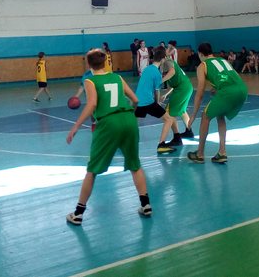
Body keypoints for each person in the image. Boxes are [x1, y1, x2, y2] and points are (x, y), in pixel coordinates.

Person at [66, 49, 151, 225]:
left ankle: (78, 214)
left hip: (108, 123)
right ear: (105, 62)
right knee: (135, 165)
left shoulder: (90, 80)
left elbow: (92, 104)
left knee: (92, 170)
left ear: (88, 64)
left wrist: (76, 126)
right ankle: (146, 205)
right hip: (128, 119)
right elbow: (135, 100)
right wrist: (129, 116)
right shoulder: (117, 77)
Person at [187, 42, 248, 164]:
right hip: (242, 89)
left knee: (205, 116)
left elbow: (200, 92)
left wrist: (193, 114)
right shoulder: (223, 60)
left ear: (200, 54)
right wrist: (219, 88)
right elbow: (233, 76)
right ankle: (222, 152)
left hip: (228, 92)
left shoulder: (202, 65)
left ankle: (199, 154)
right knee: (220, 115)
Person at [135, 46, 176, 154]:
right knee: (168, 119)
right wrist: (157, 103)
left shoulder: (146, 69)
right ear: (162, 60)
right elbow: (156, 91)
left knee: (134, 122)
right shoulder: (157, 74)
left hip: (138, 101)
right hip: (147, 102)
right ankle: (161, 144)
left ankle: (123, 141)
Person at [160, 52, 195, 143]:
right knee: (182, 111)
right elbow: (172, 85)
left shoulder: (167, 61)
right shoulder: (166, 65)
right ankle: (189, 131)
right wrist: (165, 94)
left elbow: (172, 72)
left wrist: (160, 81)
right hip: (186, 87)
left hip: (182, 89)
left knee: (169, 113)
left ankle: (177, 138)